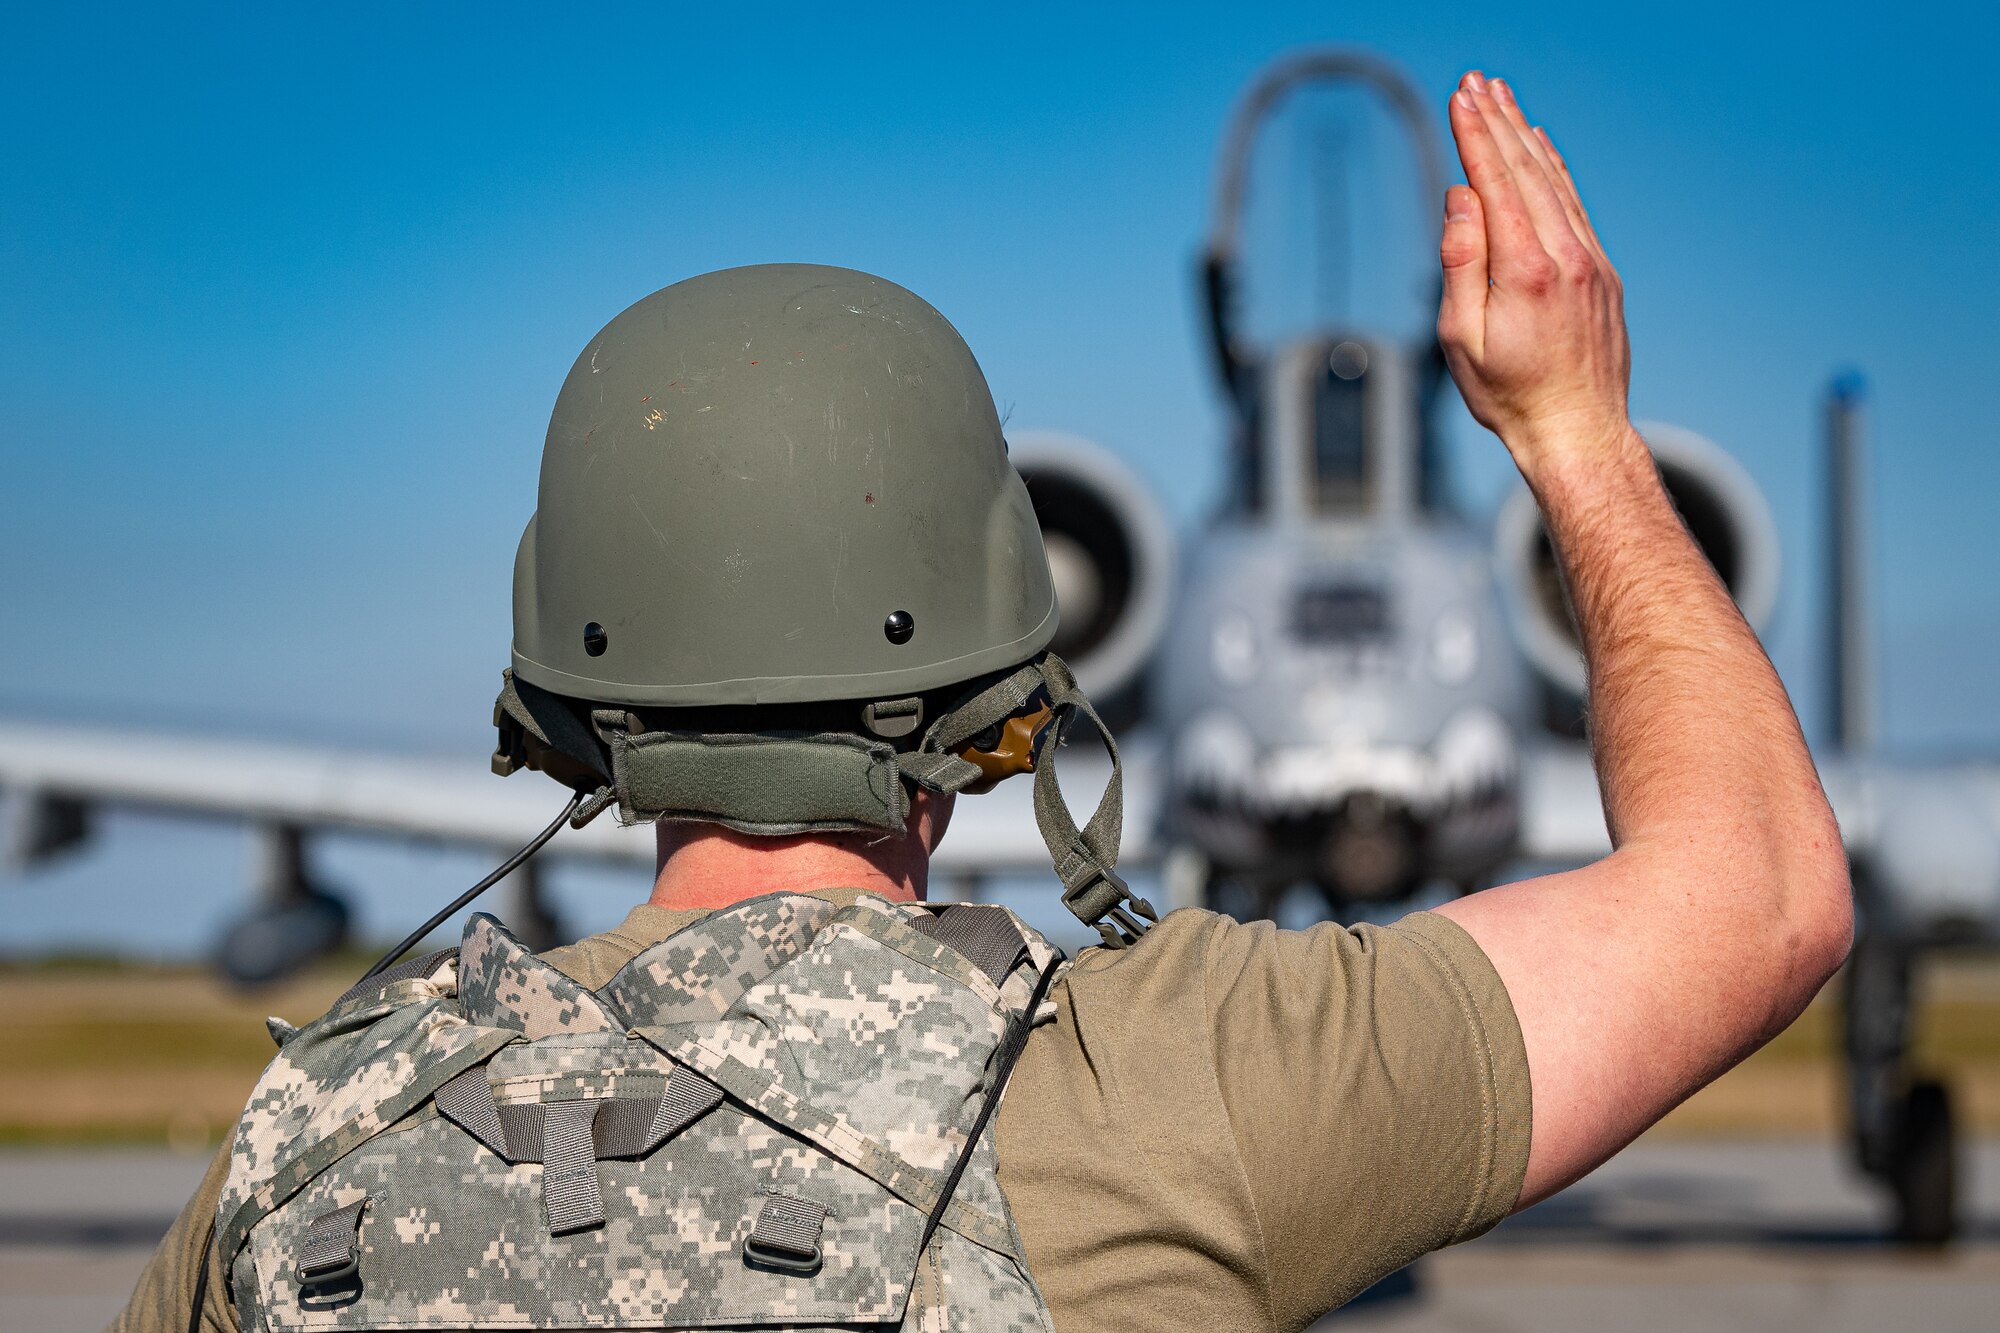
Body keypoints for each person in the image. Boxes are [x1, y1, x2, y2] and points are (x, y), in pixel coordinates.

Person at [113, 71, 1851, 1332]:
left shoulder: (301, 1143)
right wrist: (1580, 436)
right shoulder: (1177, 1094)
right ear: (1003, 685)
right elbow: (1760, 893)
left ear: (568, 686)